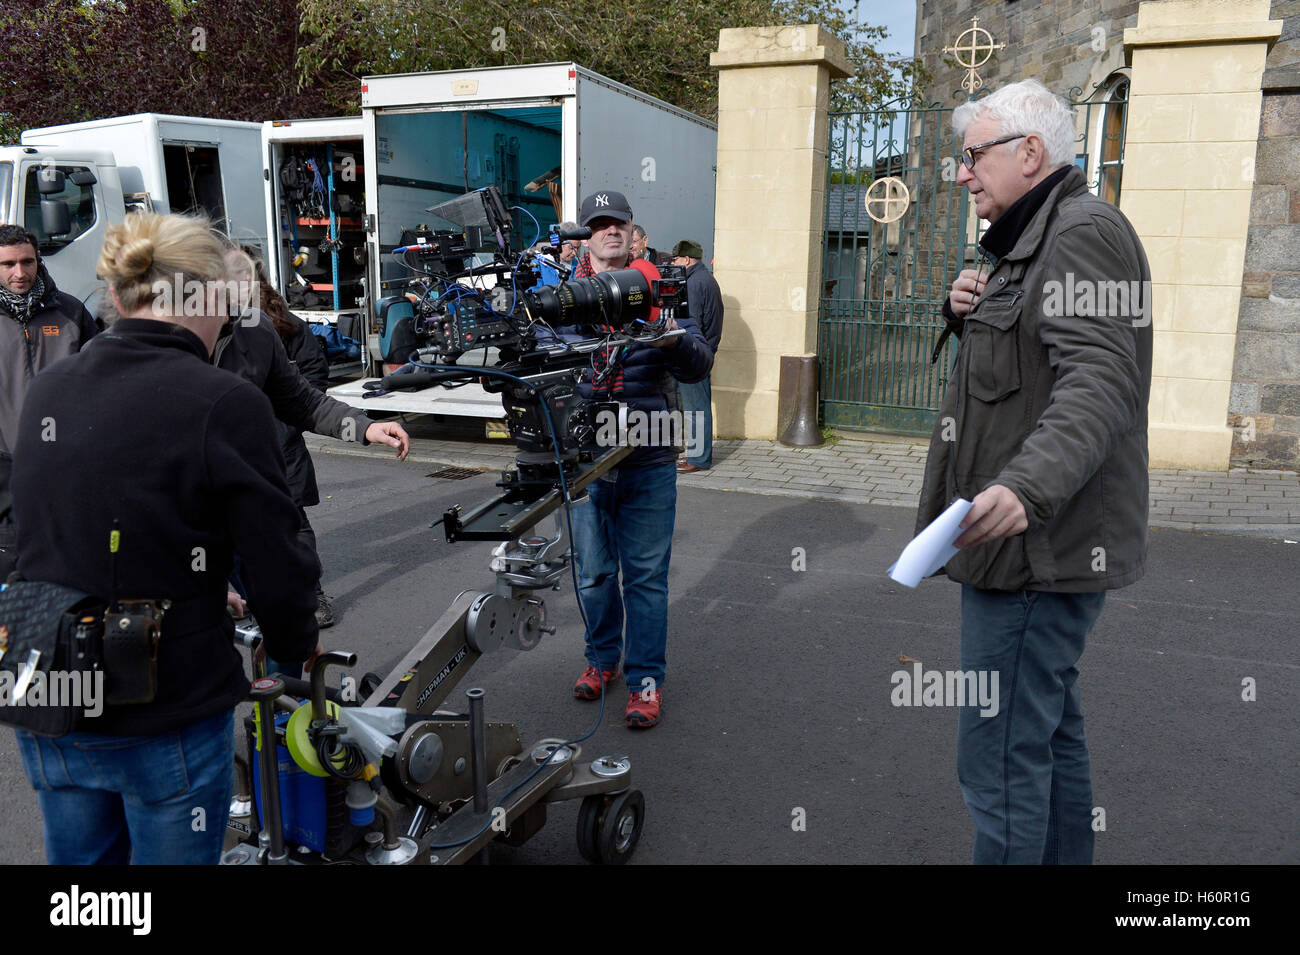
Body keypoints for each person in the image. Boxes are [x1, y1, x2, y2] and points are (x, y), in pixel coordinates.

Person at [9, 212, 320, 864]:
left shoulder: (49, 387)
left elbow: (75, 530)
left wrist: (199, 581)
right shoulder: (222, 400)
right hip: (162, 703)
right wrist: (296, 651)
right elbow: (277, 560)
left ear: (123, 295)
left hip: (48, 689)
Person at [916, 79, 1153, 864]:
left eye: (973, 156)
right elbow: (1025, 363)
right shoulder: (1030, 238)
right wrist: (961, 311)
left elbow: (1100, 380)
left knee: (998, 760)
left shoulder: (1082, 232)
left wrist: (1027, 485)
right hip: (1020, 549)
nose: (962, 174)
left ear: (1030, 152)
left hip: (1037, 549)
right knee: (1044, 733)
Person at [561, 190, 713, 728]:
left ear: (631, 231)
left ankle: (645, 682)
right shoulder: (562, 294)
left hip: (649, 453)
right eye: (598, 224)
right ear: (586, 235)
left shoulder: (661, 289)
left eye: (617, 223)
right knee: (595, 575)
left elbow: (698, 364)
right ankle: (602, 661)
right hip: (584, 455)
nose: (609, 231)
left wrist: (670, 336)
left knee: (646, 577)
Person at [220, 249, 382, 630]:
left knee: (291, 527)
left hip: (279, 445)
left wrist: (362, 427)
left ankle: (309, 598)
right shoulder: (198, 332)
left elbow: (306, 389)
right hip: (231, 467)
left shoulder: (276, 323)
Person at [0, 225, 101, 578]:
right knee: (10, 560)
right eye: (8, 264)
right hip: (5, 464)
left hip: (66, 458)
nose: (19, 272)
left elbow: (102, 381)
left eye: (27, 262)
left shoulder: (70, 312)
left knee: (68, 557)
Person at [668, 239, 723, 473]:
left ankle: (698, 459)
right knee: (695, 406)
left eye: (676, 259)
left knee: (695, 408)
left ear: (687, 260)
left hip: (694, 355)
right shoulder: (706, 279)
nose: (673, 263)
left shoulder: (693, 283)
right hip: (703, 352)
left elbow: (693, 324)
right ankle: (695, 454)